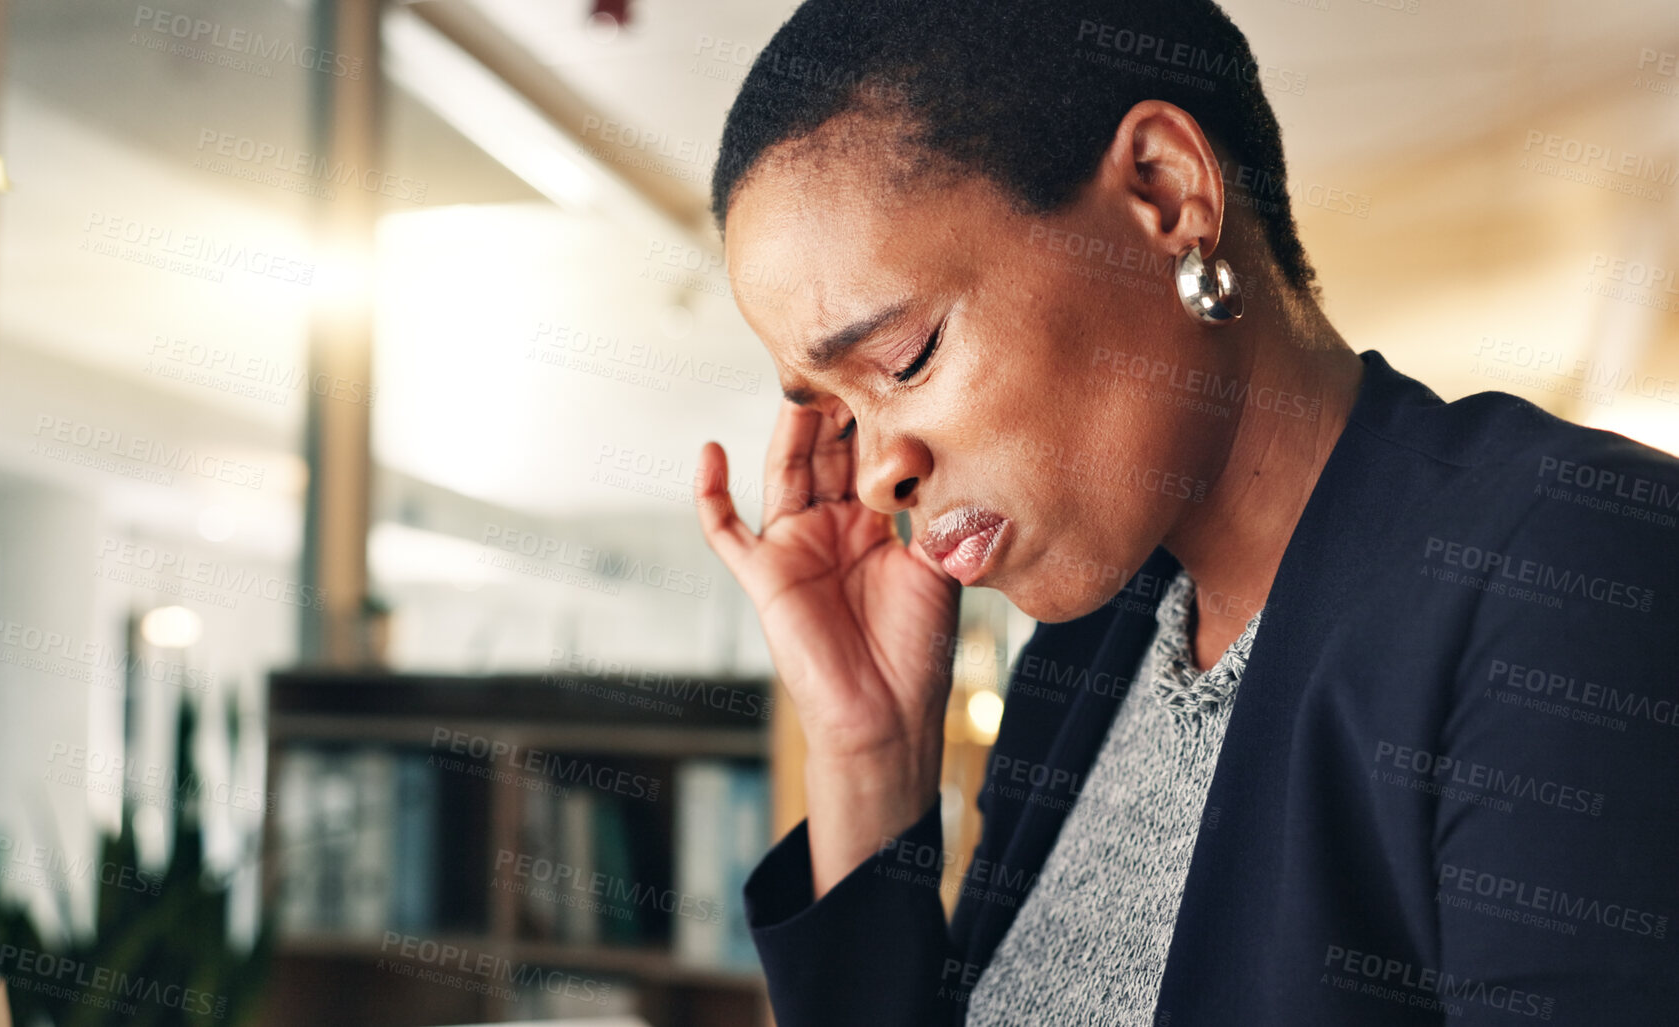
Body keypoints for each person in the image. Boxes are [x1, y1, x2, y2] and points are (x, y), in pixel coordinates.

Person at [689, 1, 1679, 1024]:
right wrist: (868, 756)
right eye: (838, 413)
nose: (874, 475)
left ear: (1165, 192)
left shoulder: (1574, 569)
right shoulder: (1082, 664)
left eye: (905, 359)